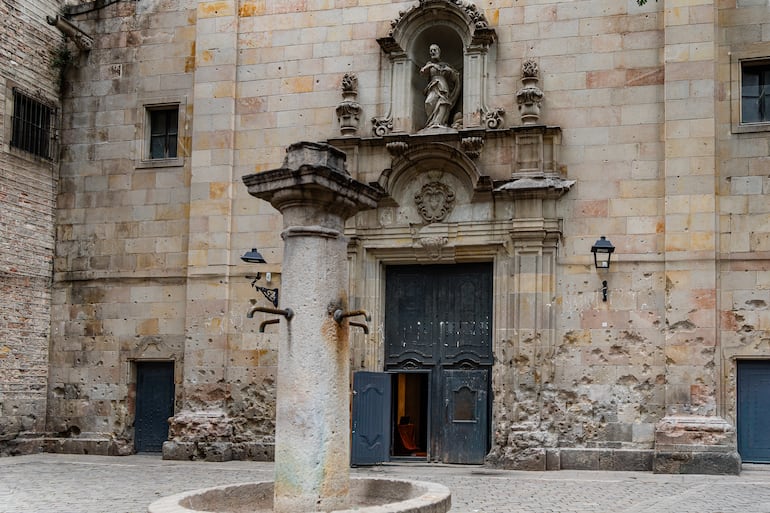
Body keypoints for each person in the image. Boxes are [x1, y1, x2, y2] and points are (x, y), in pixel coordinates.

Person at [419, 44, 460, 129]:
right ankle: (432, 122)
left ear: (439, 51)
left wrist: (449, 71)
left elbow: (455, 76)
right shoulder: (429, 64)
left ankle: (439, 122)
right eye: (431, 51)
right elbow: (422, 72)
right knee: (428, 102)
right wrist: (431, 65)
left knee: (443, 102)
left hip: (443, 84)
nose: (432, 52)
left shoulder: (444, 65)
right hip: (433, 85)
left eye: (434, 50)